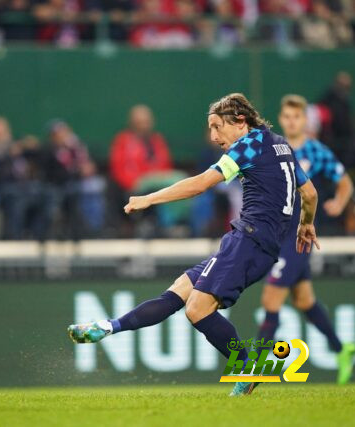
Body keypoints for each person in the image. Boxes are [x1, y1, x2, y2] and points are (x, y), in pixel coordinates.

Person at [68, 93, 319, 397]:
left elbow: (200, 184)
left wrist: (148, 198)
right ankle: (108, 327)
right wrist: (306, 224)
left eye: (217, 127)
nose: (213, 137)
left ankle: (248, 366)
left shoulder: (249, 145)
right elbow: (310, 193)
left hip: (250, 239)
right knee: (179, 291)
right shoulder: (280, 143)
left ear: (240, 121)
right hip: (255, 242)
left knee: (197, 309)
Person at [256, 95, 355, 384]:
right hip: (277, 232)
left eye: (296, 117)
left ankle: (253, 373)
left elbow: (345, 181)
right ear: (281, 118)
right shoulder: (273, 148)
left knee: (270, 298)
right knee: (303, 300)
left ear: (304, 120)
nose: (291, 121)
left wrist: (339, 202)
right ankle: (342, 349)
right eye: (286, 116)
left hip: (298, 236)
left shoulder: (316, 150)